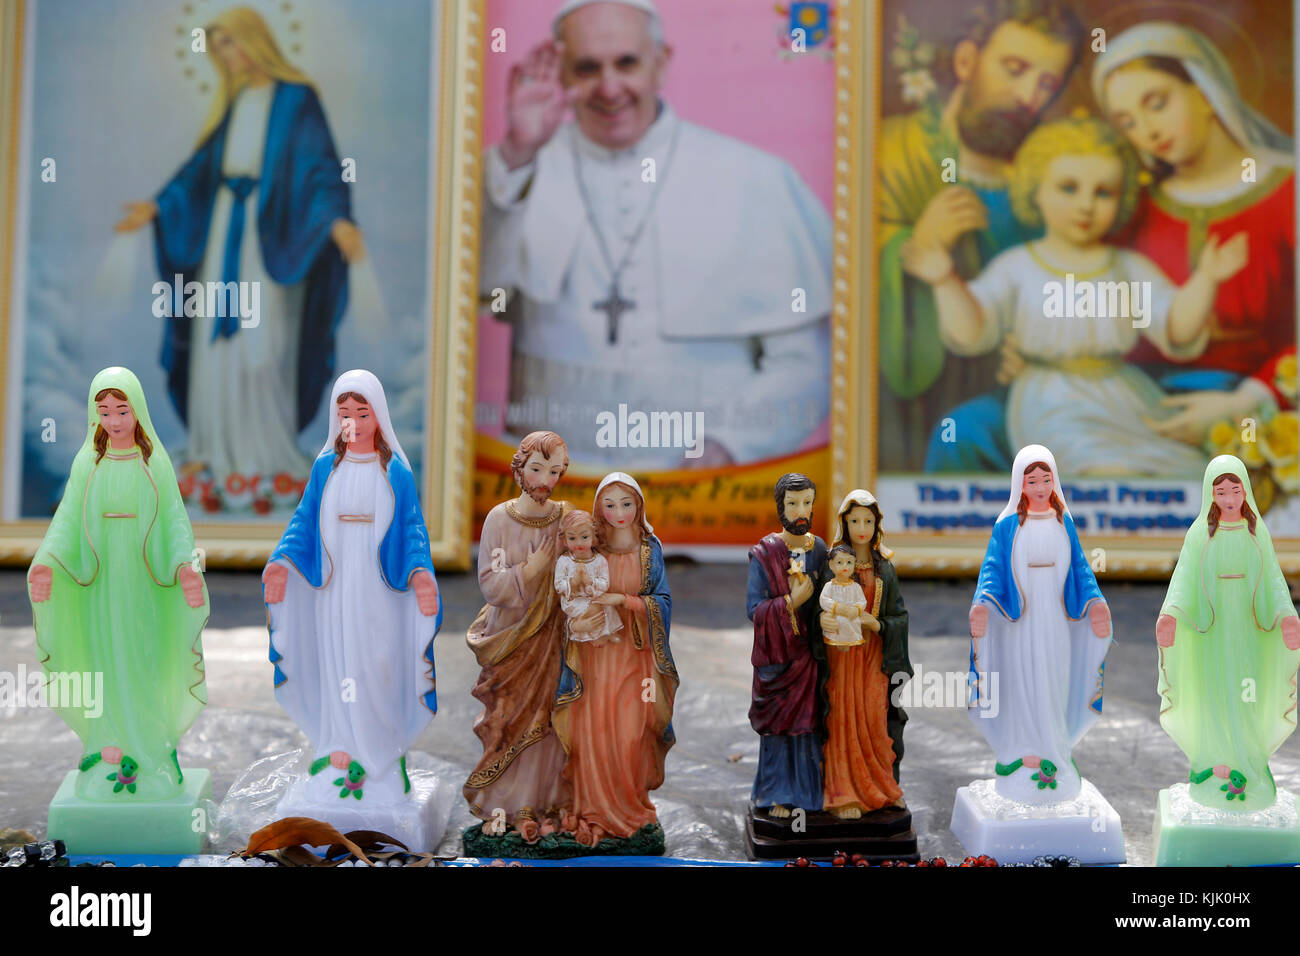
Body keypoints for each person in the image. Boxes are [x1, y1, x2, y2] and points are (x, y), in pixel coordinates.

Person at [479, 0, 831, 468]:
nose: (609, 88)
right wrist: (518, 152)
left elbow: (807, 365)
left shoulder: (755, 179)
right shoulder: (515, 171)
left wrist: (730, 444)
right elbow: (475, 295)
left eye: (626, 63)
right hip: (553, 496)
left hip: (706, 497)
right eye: (587, 68)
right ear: (562, 73)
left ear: (661, 63)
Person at [115, 6, 362, 506]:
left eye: (231, 43)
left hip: (272, 238)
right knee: (215, 345)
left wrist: (335, 219)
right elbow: (201, 171)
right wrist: (159, 206)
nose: (226, 56)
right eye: (218, 47)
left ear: (255, 40)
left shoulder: (297, 100)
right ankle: (214, 450)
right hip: (224, 230)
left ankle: (268, 456)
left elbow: (319, 169)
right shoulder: (234, 104)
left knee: (265, 343)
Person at [904, 116, 1244, 477]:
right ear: (1035, 189)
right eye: (1069, 188)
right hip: (1052, 401)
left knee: (1180, 470)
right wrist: (945, 281)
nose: (1086, 205)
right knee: (1099, 469)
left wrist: (1207, 279)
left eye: (1103, 193)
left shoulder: (1128, 267)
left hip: (1122, 395)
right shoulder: (1018, 266)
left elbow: (1176, 325)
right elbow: (973, 331)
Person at [876, 0, 1087, 471]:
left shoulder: (1055, 180)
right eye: (1014, 69)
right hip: (919, 414)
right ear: (968, 61)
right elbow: (850, 285)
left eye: (1047, 83)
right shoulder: (892, 151)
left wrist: (1041, 348)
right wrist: (912, 248)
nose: (1027, 95)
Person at [1094, 23, 1296, 449]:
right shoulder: (1131, 206)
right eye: (1128, 121)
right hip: (1141, 391)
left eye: (1157, 103)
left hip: (1252, 393)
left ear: (1205, 91)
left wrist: (1246, 402)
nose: (1147, 131)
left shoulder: (1287, 190)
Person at [262, 370, 441, 808]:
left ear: (378, 416)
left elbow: (412, 527)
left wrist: (420, 574)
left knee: (376, 661)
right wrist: (281, 563)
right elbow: (304, 520)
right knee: (338, 660)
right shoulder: (327, 467)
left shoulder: (394, 471)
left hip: (378, 591)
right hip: (335, 591)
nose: (355, 424)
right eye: (345, 414)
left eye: (363, 413)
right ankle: (339, 742)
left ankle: (380, 747)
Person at [28, 366, 208, 800]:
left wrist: (186, 567)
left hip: (142, 587)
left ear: (137, 411)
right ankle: (107, 744)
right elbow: (68, 518)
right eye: (104, 411)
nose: (112, 420)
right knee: (103, 660)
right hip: (100, 587)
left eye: (120, 410)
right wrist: (46, 562)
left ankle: (149, 750)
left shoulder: (154, 464)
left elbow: (174, 523)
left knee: (142, 659)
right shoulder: (87, 463)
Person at [968, 445, 1112, 803]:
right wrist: (983, 605)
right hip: (1021, 624)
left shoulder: (1065, 522)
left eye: (1046, 479)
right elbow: (992, 570)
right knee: (1023, 681)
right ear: (1020, 483)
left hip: (1054, 619)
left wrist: (1094, 602)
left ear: (1054, 481)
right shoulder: (1006, 526)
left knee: (1053, 678)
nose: (1040, 485)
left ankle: (1055, 750)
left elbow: (1080, 567)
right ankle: (1022, 749)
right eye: (1032, 480)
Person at [1156, 456, 1300, 811]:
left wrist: (1285, 616)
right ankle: (1214, 766)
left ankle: (1249, 765)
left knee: (1248, 696)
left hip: (1248, 635)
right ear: (1211, 495)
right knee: (1214, 696)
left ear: (1245, 492)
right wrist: (1171, 615)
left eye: (1236, 490)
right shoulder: (1199, 535)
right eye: (1221, 492)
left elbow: (1273, 583)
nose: (1230, 498)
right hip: (1212, 636)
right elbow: (1184, 581)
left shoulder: (1256, 534)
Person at [552, 472, 677, 848]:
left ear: (638, 506)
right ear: (597, 509)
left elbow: (664, 602)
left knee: (630, 733)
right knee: (594, 733)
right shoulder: (591, 547)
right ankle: (593, 809)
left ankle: (630, 806)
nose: (618, 512)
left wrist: (626, 601)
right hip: (594, 655)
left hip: (635, 656)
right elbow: (569, 594)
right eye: (609, 505)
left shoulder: (649, 549)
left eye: (626, 504)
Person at [465, 431, 573, 836]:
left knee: (549, 721)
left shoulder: (566, 517)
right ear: (519, 469)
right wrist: (530, 570)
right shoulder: (499, 518)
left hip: (553, 638)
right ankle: (505, 804)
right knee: (510, 719)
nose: (546, 479)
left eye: (555, 471)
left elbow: (583, 565)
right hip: (511, 639)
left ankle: (545, 803)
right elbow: (491, 586)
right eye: (537, 468)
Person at [817, 490, 909, 816]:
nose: (862, 527)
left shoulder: (885, 569)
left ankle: (884, 787)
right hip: (840, 656)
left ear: (877, 524)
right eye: (855, 520)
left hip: (873, 656)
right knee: (842, 717)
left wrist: (878, 624)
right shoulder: (832, 566)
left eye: (868, 521)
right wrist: (823, 618)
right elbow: (819, 607)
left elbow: (899, 616)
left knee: (874, 715)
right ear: (844, 522)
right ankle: (844, 794)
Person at [747, 472, 827, 817]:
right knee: (779, 727)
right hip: (779, 661)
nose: (801, 511)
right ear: (780, 505)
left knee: (809, 725)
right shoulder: (764, 554)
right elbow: (753, 609)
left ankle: (810, 794)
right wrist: (791, 603)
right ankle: (776, 793)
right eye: (793, 503)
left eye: (807, 502)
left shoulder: (820, 549)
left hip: (811, 658)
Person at [553, 508, 622, 644]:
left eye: (584, 537)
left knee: (607, 606)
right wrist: (573, 582)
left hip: (594, 595)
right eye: (572, 538)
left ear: (593, 537)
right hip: (573, 600)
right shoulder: (564, 561)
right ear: (565, 541)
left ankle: (608, 631)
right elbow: (558, 585)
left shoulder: (599, 560)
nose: (579, 543)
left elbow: (605, 582)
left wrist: (589, 581)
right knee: (594, 609)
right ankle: (594, 636)